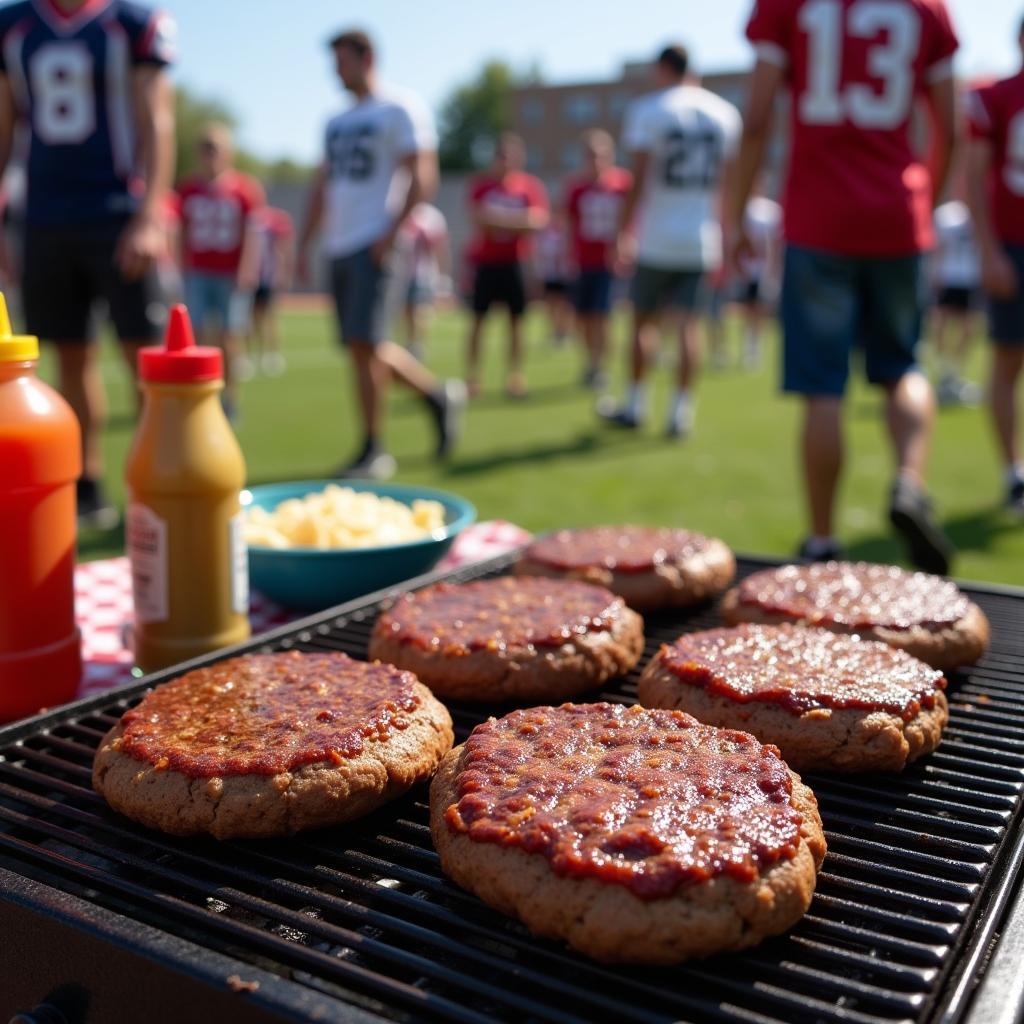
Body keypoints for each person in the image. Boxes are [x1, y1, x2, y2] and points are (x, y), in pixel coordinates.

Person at [729, 0, 959, 572]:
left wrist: (734, 214)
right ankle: (909, 481)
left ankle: (824, 539)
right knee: (902, 367)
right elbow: (950, 127)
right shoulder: (926, 7)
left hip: (818, 219)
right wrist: (923, 205)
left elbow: (756, 119)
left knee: (823, 388)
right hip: (898, 218)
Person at [0, 0, 175, 526]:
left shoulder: (133, 23)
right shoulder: (13, 26)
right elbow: (4, 129)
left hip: (117, 212)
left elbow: (157, 119)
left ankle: (157, 482)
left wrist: (150, 215)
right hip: (46, 216)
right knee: (69, 360)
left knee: (144, 360)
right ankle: (88, 486)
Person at [297, 28, 463, 479]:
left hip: (374, 242)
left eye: (342, 60)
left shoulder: (399, 107)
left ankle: (373, 448)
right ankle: (435, 395)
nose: (336, 70)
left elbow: (423, 175)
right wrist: (305, 241)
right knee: (360, 347)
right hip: (340, 243)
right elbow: (322, 186)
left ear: (366, 58)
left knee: (366, 344)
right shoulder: (334, 121)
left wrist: (391, 233)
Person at [600, 44, 740, 438]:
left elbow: (638, 178)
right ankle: (680, 414)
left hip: (657, 237)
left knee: (642, 324)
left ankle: (635, 405)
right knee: (688, 327)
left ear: (663, 68)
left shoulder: (649, 109)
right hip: (700, 238)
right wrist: (728, 236)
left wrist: (623, 232)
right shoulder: (723, 113)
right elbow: (728, 187)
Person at [966, 21, 1024, 515]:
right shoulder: (997, 96)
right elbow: (975, 174)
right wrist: (988, 249)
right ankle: (1014, 474)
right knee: (1008, 361)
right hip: (1014, 246)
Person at [176, 124, 264, 414]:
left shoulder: (244, 188)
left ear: (227, 152)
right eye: (204, 148)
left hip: (230, 273)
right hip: (198, 271)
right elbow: (180, 231)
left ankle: (230, 398)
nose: (209, 154)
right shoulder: (188, 188)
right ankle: (195, 394)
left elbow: (252, 233)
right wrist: (179, 266)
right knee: (195, 335)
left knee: (230, 337)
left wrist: (247, 268)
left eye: (214, 148)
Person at [465, 133, 548, 399]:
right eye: (501, 155)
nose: (506, 161)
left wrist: (499, 219)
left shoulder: (529, 187)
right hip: (487, 262)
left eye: (511, 156)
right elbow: (479, 220)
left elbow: (538, 222)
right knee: (478, 321)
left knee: (516, 322)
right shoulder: (481, 185)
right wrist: (518, 221)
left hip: (517, 262)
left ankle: (514, 376)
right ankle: (472, 377)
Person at [564, 129, 632, 389]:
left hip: (610, 261)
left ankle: (599, 366)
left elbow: (634, 219)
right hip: (583, 260)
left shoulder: (623, 183)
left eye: (601, 155)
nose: (596, 160)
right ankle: (590, 361)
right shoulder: (577, 188)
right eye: (591, 155)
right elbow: (570, 226)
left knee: (602, 315)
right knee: (582, 318)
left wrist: (626, 247)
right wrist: (567, 257)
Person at [930, 198, 981, 407]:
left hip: (971, 278)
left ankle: (954, 372)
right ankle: (944, 371)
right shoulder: (945, 214)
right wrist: (934, 275)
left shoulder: (979, 209)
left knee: (969, 327)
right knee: (940, 324)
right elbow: (938, 247)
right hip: (948, 277)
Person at [389, 200, 450, 360]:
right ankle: (404, 342)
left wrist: (442, 276)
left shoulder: (431, 216)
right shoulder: (395, 210)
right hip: (399, 272)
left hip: (423, 273)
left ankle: (417, 344)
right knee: (402, 310)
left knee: (419, 309)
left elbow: (439, 247)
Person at [735, 191, 782, 369]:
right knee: (748, 310)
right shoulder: (748, 209)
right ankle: (750, 346)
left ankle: (754, 347)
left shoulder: (770, 210)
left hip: (761, 271)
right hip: (748, 270)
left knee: (759, 311)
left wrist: (773, 269)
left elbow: (776, 243)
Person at [247, 204, 294, 377]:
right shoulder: (250, 219)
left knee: (269, 317)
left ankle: (271, 353)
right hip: (251, 277)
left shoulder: (275, 221)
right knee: (248, 319)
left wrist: (283, 273)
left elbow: (283, 249)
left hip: (268, 277)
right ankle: (249, 354)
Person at [534, 214, 573, 347]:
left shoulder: (566, 234)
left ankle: (564, 331)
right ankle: (555, 331)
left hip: (564, 274)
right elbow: (540, 255)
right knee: (550, 304)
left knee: (565, 305)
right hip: (550, 275)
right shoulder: (546, 236)